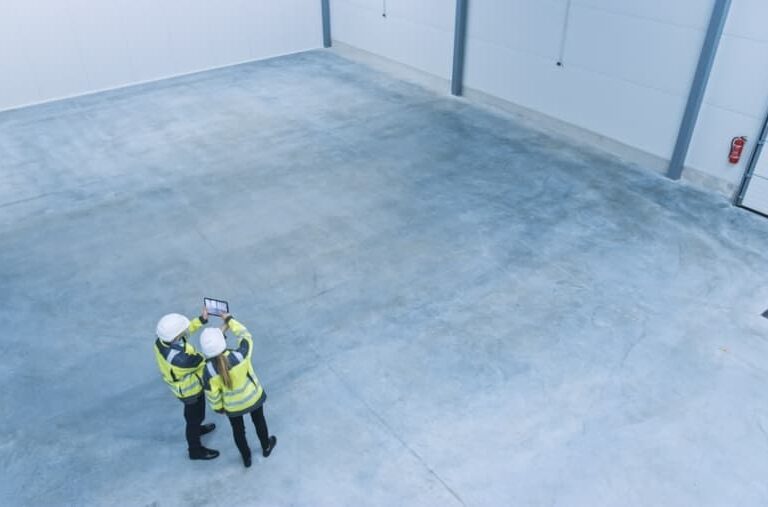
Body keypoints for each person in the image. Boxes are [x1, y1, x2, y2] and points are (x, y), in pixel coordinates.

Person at [200, 313, 277, 467]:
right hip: (253, 397)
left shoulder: (208, 371)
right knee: (259, 421)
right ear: (222, 342)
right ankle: (266, 446)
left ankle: (246, 458)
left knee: (238, 431)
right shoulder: (241, 355)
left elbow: (212, 395)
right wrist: (229, 320)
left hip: (232, 406)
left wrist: (219, 408)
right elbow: (245, 335)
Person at [154, 307, 220, 460]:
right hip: (191, 392)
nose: (184, 332)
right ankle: (195, 450)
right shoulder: (181, 360)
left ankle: (197, 429)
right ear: (175, 336)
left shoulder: (163, 341)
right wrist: (218, 342)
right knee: (194, 418)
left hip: (184, 388)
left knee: (194, 417)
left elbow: (185, 331)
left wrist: (201, 320)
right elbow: (206, 360)